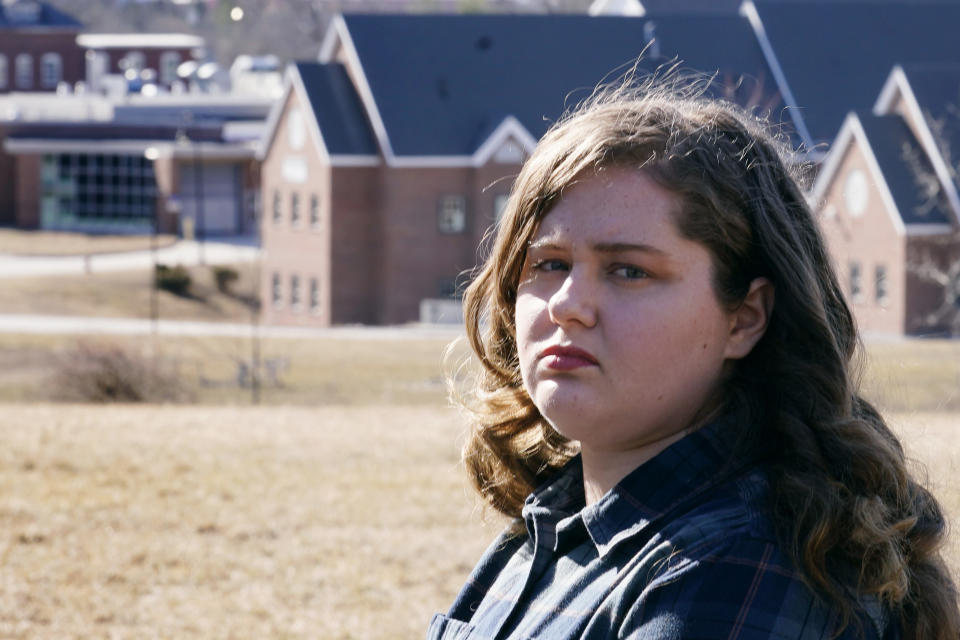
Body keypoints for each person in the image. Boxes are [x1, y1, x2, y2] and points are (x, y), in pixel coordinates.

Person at [428, 74, 960, 640]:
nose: (567, 305)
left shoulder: (736, 565)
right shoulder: (556, 525)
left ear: (746, 317)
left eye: (629, 270)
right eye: (549, 264)